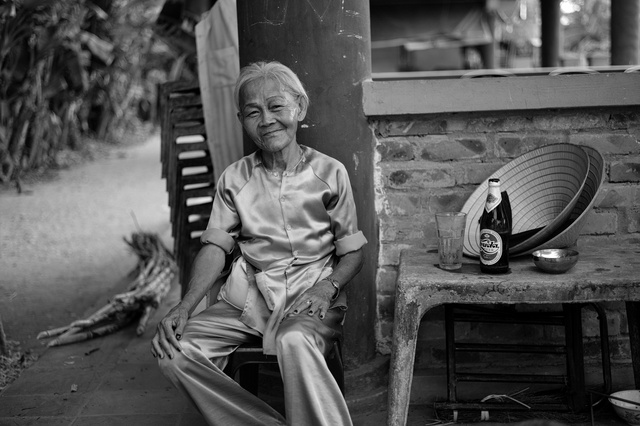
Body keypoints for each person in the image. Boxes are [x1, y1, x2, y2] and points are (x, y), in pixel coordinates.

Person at [151, 61, 367, 426]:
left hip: (309, 299)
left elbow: (353, 253)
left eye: (276, 106)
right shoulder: (234, 178)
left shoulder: (330, 173)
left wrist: (326, 288)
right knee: (174, 351)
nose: (265, 120)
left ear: (299, 107)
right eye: (253, 112)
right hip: (245, 302)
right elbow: (215, 248)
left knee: (294, 340)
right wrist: (184, 306)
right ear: (242, 121)